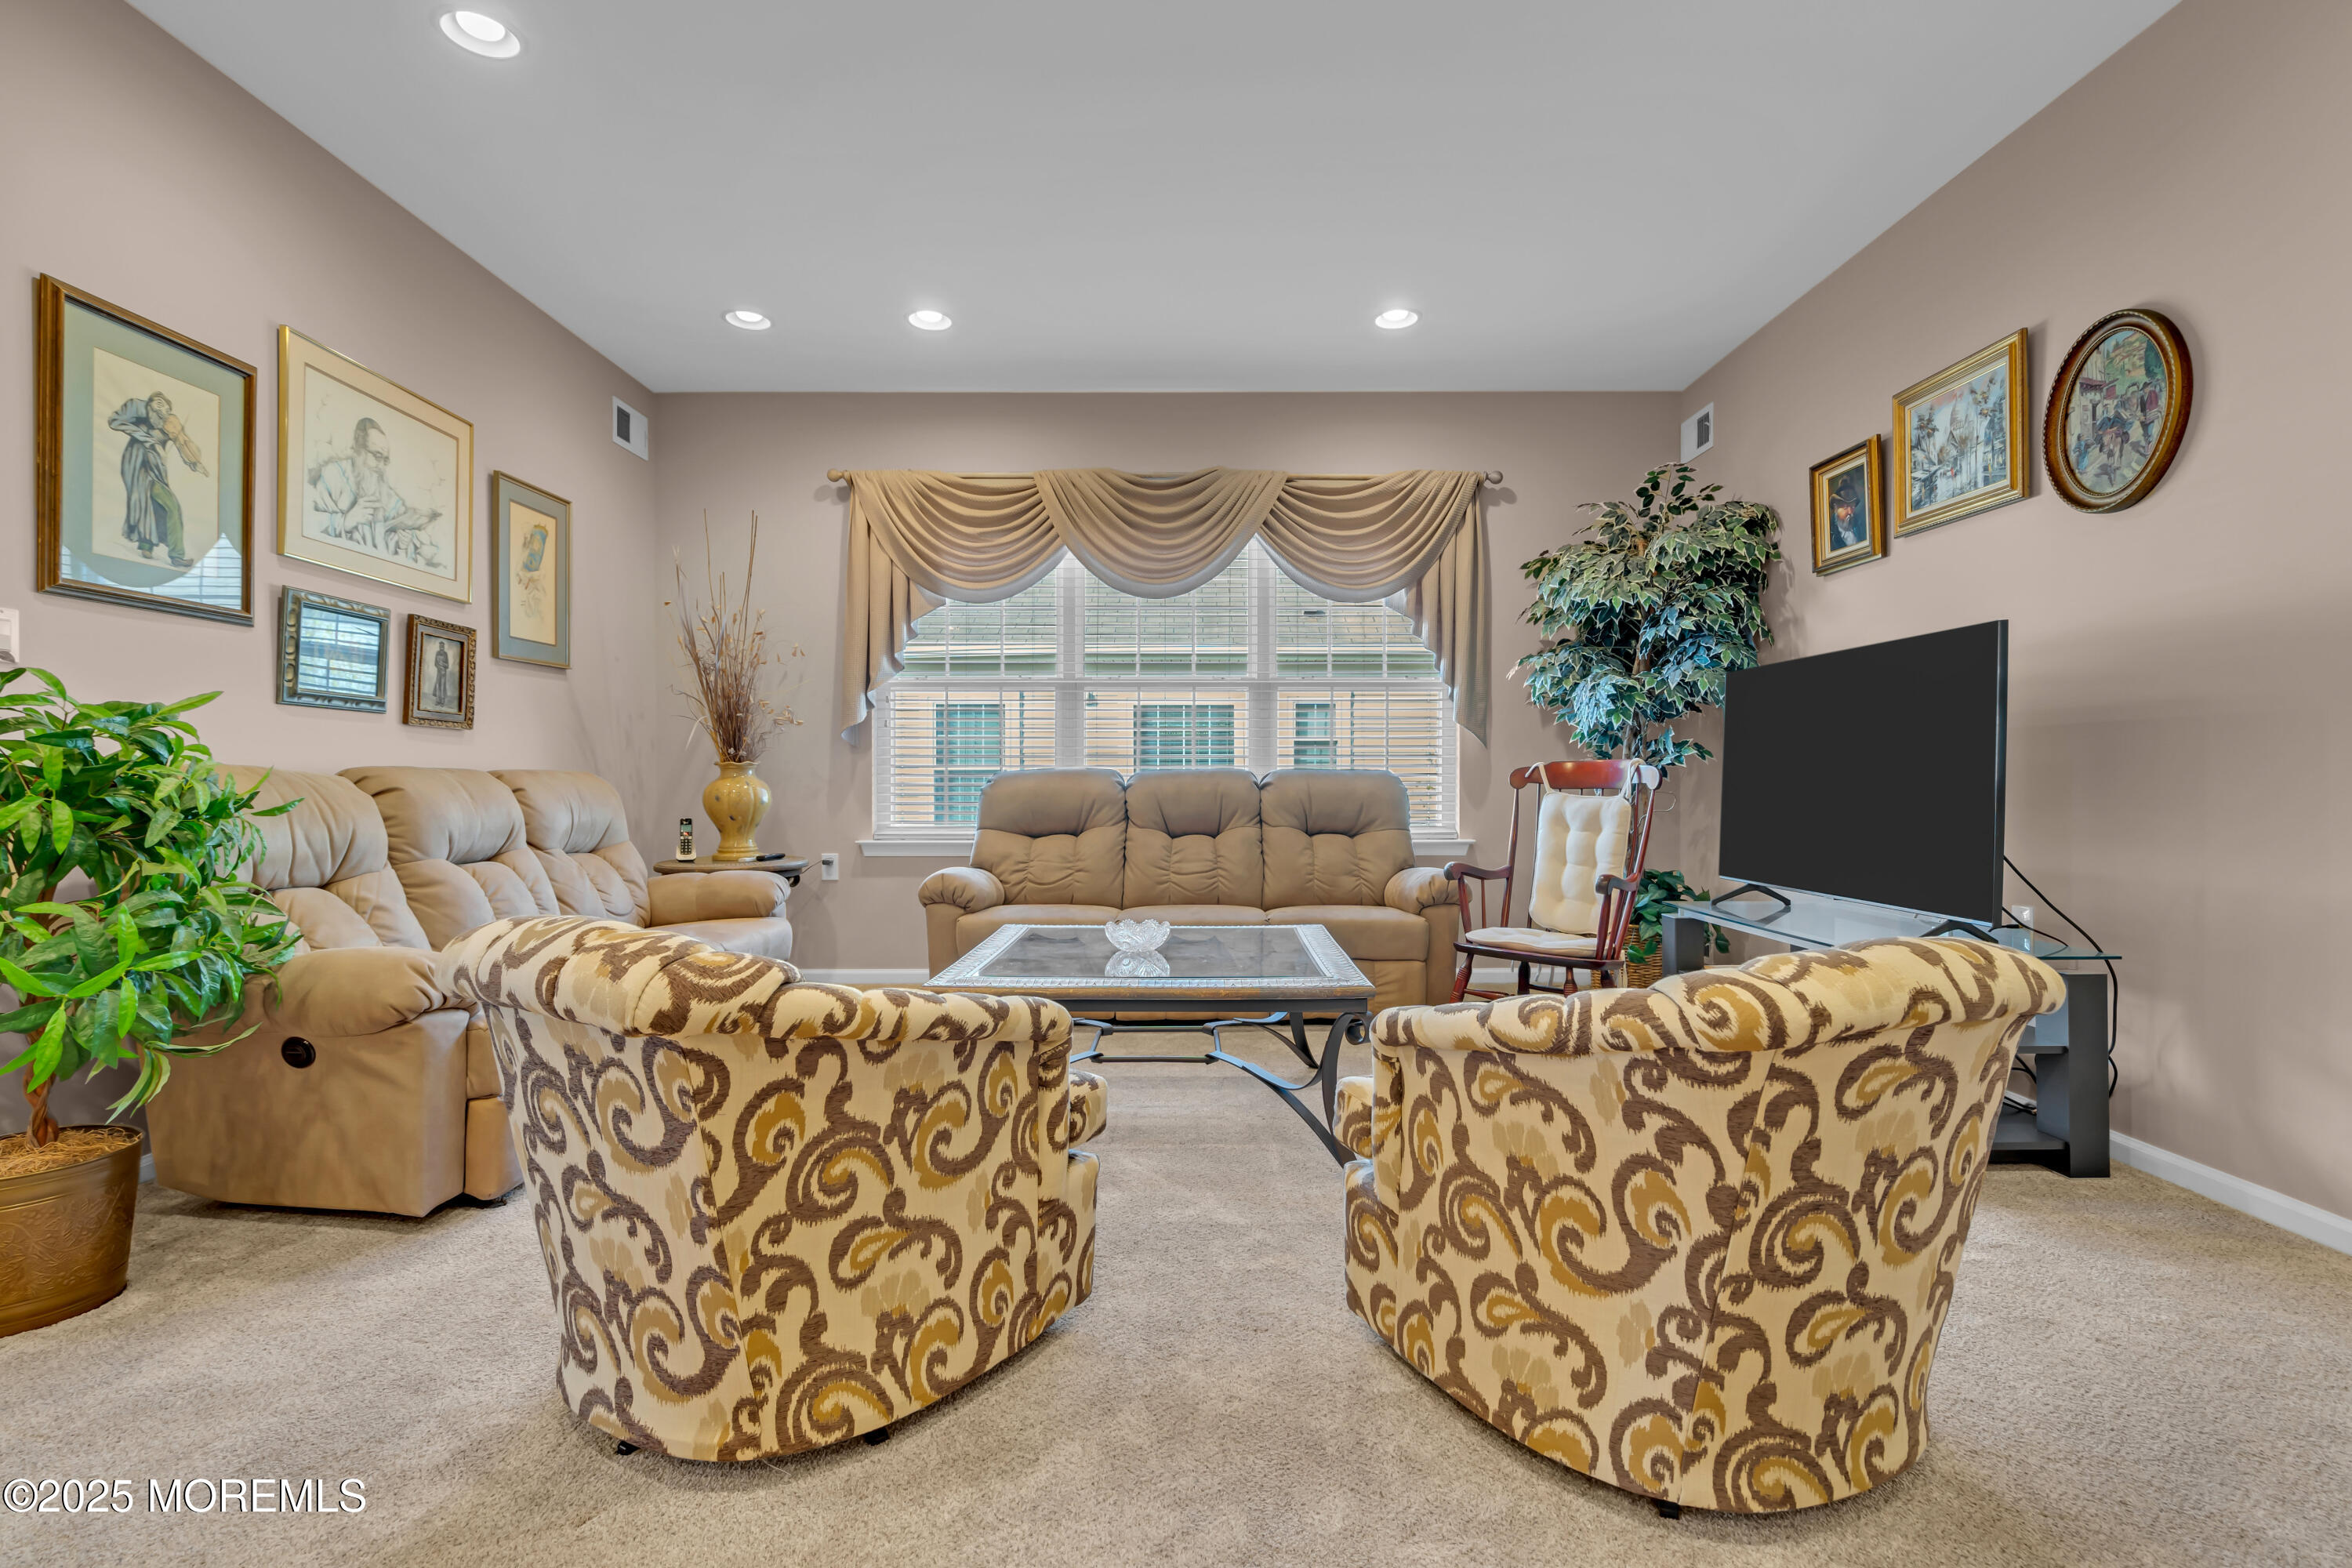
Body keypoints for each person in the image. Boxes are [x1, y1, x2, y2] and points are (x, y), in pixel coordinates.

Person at [307, 417, 443, 565]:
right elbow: (308, 525)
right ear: (359, 449)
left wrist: (402, 545)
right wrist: (346, 521)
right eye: (377, 456)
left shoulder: (386, 493)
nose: (381, 466)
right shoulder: (333, 475)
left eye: (385, 460)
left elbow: (390, 555)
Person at [108, 391, 207, 568]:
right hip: (136, 464)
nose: (163, 408)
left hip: (156, 469)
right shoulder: (137, 407)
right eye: (159, 403)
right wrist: (150, 441)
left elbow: (182, 443)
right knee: (157, 503)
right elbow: (114, 421)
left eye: (167, 406)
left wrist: (194, 463)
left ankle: (149, 546)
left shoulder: (170, 422)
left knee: (162, 505)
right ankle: (173, 554)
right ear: (151, 402)